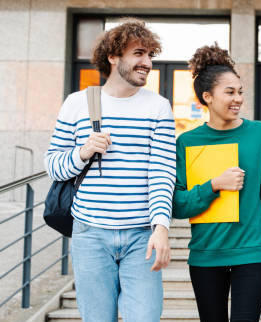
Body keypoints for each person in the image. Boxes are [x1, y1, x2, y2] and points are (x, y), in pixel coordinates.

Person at [44, 19, 175, 321]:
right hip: (90, 234)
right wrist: (83, 152)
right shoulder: (77, 103)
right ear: (113, 56)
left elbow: (162, 172)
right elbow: (52, 164)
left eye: (150, 55)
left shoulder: (158, 107)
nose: (147, 62)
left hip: (142, 235)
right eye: (139, 53)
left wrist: (161, 227)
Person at [172, 44, 261, 322]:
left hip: (253, 251)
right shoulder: (187, 142)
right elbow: (176, 204)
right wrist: (213, 185)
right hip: (206, 254)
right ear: (207, 97)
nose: (238, 99)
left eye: (240, 92)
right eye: (230, 92)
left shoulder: (259, 133)